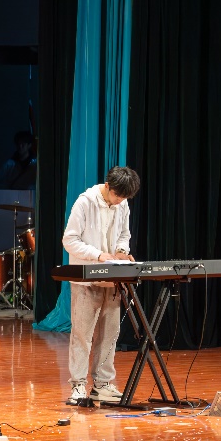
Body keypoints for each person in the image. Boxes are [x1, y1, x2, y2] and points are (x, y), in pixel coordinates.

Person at [60, 165, 140, 405]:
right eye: (117, 196)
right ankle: (78, 385)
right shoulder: (85, 202)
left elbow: (124, 234)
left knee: (109, 335)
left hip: (112, 279)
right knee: (82, 335)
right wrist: (98, 255)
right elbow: (70, 240)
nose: (119, 201)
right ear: (107, 186)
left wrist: (121, 251)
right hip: (86, 279)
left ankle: (103, 385)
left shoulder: (122, 204)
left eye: (124, 198)